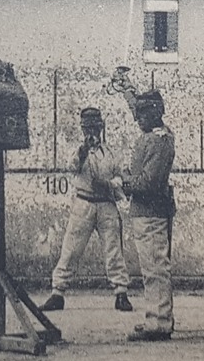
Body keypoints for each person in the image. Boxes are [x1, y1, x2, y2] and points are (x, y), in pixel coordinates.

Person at [40, 106, 134, 313]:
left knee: (113, 249)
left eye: (95, 126)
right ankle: (58, 293)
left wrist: (110, 184)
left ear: (101, 127)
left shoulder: (111, 152)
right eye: (87, 127)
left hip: (106, 204)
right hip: (83, 203)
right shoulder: (76, 150)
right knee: (71, 249)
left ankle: (121, 293)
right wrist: (83, 151)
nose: (91, 131)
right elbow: (71, 167)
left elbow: (123, 176)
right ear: (82, 129)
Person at [111, 75, 175, 342]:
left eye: (143, 115)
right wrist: (127, 89)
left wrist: (123, 181)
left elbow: (148, 183)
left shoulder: (158, 141)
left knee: (155, 268)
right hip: (148, 212)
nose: (138, 119)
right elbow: (137, 106)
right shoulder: (155, 135)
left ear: (156, 114)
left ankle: (159, 323)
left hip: (151, 212)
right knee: (153, 267)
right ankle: (158, 317)